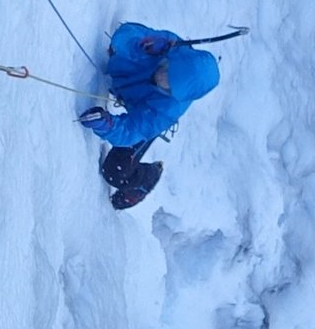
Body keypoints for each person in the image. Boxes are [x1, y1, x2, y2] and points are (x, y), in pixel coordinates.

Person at [79, 22, 220, 210]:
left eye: (169, 85)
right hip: (127, 84)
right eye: (167, 71)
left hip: (142, 110)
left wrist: (109, 125)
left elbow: (133, 130)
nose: (162, 78)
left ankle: (145, 181)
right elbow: (124, 34)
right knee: (116, 49)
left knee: (115, 172)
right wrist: (140, 46)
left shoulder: (168, 109)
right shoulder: (169, 46)